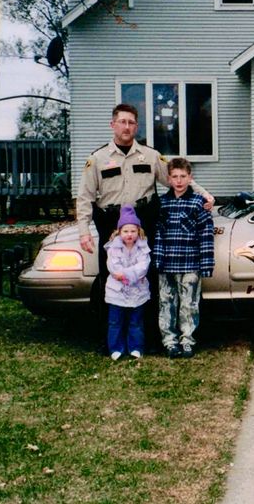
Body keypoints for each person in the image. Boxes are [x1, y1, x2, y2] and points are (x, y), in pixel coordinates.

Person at [76, 103, 214, 343]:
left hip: (143, 222)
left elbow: (176, 179)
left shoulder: (150, 156)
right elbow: (85, 197)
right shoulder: (97, 159)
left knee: (146, 277)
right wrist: (83, 231)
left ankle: (147, 335)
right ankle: (111, 336)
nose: (127, 127)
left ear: (136, 126)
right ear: (113, 125)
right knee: (112, 277)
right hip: (111, 223)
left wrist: (204, 195)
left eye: (131, 122)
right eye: (122, 122)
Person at [153, 158, 215, 359]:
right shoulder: (162, 203)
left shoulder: (199, 203)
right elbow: (158, 234)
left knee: (189, 304)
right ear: (169, 179)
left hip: (190, 264)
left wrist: (206, 264)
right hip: (168, 264)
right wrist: (158, 261)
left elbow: (206, 235)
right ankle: (169, 341)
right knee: (167, 302)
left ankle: (187, 340)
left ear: (190, 178)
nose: (179, 181)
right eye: (175, 177)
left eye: (183, 176)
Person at [104, 205, 150, 360]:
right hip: (117, 291)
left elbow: (143, 266)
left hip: (138, 290)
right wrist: (126, 274)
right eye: (125, 231)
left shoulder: (143, 247)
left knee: (135, 321)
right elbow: (114, 267)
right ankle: (115, 348)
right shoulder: (113, 248)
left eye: (133, 231)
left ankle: (135, 347)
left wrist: (128, 274)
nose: (129, 235)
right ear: (119, 232)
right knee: (115, 321)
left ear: (138, 231)